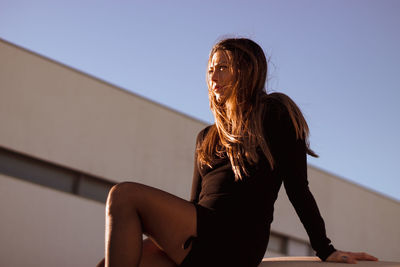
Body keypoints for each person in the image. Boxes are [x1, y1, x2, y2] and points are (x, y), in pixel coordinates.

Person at [97, 38, 378, 267]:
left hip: (237, 241)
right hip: (201, 236)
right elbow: (195, 203)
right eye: (210, 69)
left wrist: (324, 248)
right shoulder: (205, 137)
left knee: (123, 195)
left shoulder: (275, 113)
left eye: (223, 68)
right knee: (113, 260)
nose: (213, 77)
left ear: (246, 71)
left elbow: (298, 188)